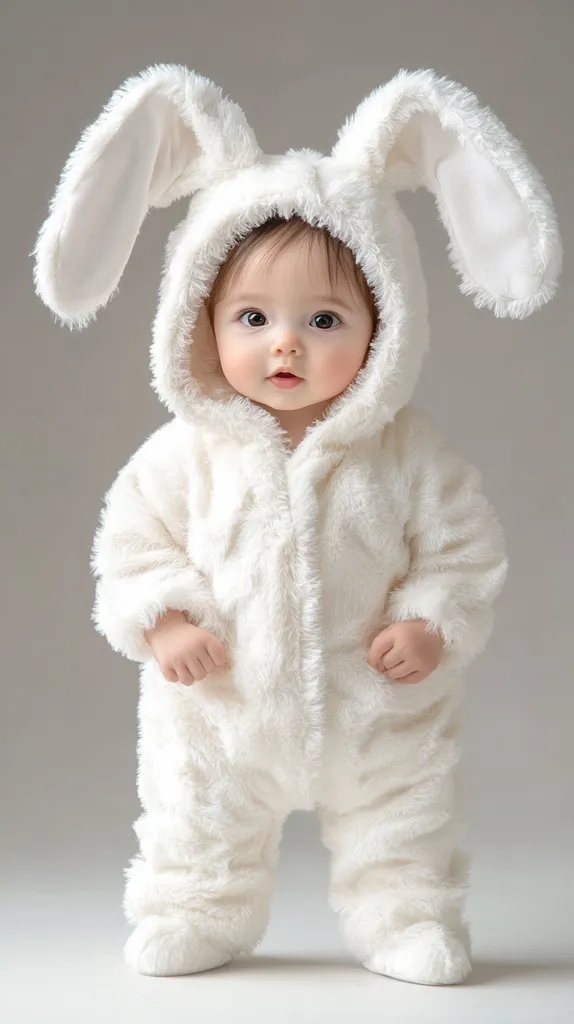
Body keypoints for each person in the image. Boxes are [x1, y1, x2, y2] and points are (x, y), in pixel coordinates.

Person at [33, 65, 561, 984]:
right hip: (222, 705)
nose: (286, 343)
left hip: (379, 707)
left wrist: (430, 621)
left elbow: (464, 548)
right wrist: (166, 619)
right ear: (200, 321)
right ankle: (197, 906)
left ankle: (406, 917)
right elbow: (130, 542)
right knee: (195, 813)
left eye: (324, 318)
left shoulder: (409, 453)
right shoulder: (183, 456)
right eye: (253, 317)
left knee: (405, 819)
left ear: (384, 326)